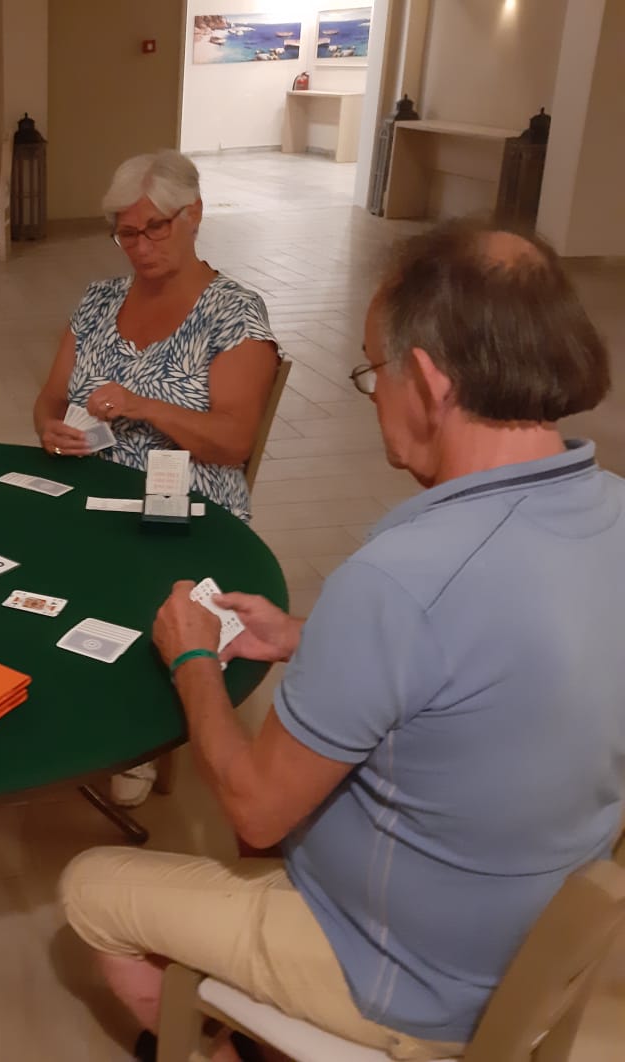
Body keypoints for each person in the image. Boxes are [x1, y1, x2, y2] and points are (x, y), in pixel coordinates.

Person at [59, 220, 624, 1062]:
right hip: (541, 944)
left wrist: (191, 660)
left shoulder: (400, 578)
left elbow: (253, 803)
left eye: (373, 370)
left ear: (427, 381)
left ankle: (228, 1047)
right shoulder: (612, 509)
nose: (374, 395)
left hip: (407, 978)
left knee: (90, 888)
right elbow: (499, 654)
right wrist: (304, 636)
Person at [33, 150, 280, 523]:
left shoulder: (232, 313)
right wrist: (50, 431)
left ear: (194, 213)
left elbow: (234, 442)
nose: (142, 248)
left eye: (157, 227)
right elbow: (51, 400)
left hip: (189, 512)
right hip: (89, 499)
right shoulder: (99, 301)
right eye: (128, 234)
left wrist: (143, 406)